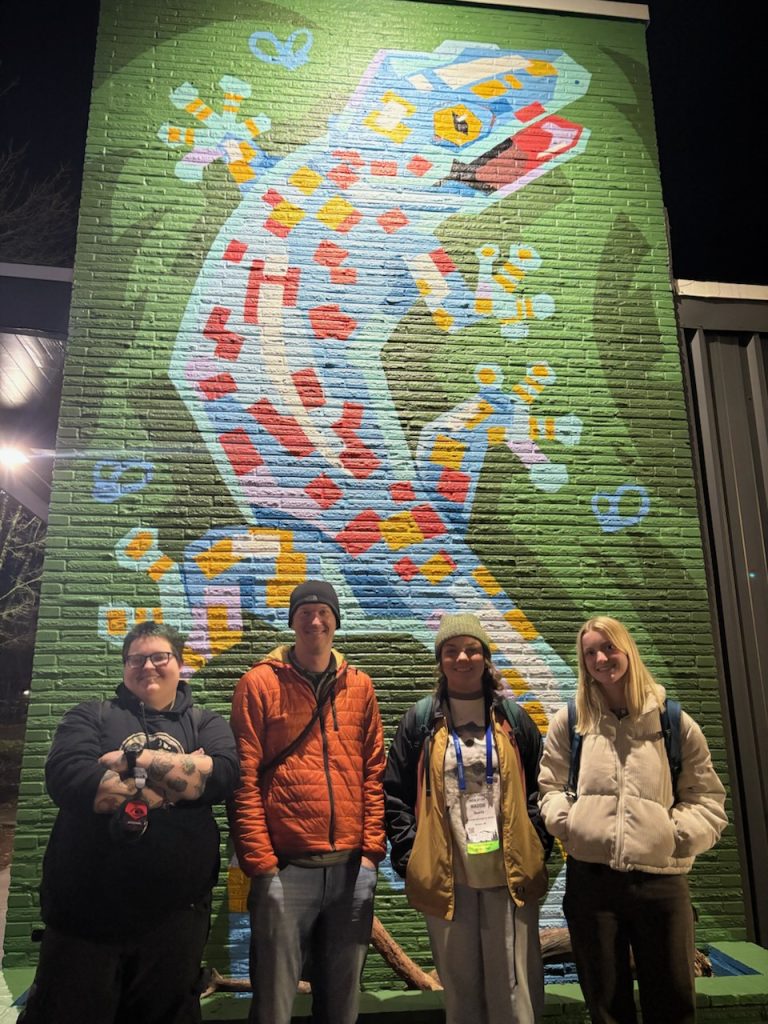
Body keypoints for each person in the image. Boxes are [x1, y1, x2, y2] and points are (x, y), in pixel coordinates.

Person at [19, 621, 240, 1024]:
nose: (148, 666)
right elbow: (71, 778)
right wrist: (181, 775)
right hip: (84, 921)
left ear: (179, 664)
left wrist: (133, 761)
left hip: (176, 924)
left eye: (160, 657)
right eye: (136, 659)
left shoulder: (206, 722)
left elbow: (223, 775)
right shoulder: (90, 715)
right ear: (124, 667)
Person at [538, 616, 728, 1024]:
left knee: (673, 1004)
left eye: (608, 648)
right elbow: (549, 786)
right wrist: (568, 824)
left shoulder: (673, 722)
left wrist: (675, 837)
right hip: (591, 884)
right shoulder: (571, 721)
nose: (601, 658)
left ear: (628, 651)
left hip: (660, 883)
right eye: (590, 652)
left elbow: (707, 798)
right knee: (606, 1007)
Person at [229, 580, 386, 1024]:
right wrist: (261, 865)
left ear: (336, 620)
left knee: (342, 1003)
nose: (314, 621)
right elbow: (243, 779)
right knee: (274, 1003)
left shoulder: (360, 685)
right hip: (285, 869)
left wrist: (372, 854)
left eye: (323, 612)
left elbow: (375, 770)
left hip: (350, 869)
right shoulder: (258, 683)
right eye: (305, 612)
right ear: (292, 620)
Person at [384, 612, 551, 1024]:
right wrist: (410, 856)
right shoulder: (420, 722)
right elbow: (394, 794)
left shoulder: (513, 720)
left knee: (514, 995)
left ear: (486, 658)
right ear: (441, 661)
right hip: (447, 880)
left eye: (472, 649)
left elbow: (544, 786)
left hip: (508, 876)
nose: (463, 658)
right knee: (460, 996)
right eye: (452, 650)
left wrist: (538, 842)